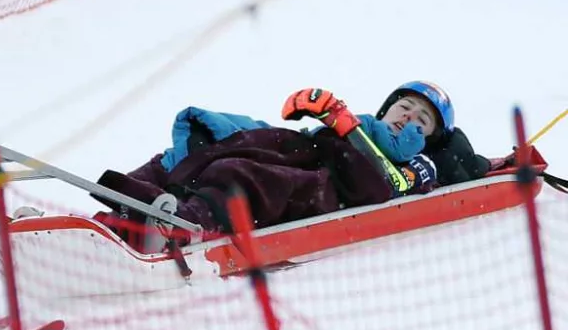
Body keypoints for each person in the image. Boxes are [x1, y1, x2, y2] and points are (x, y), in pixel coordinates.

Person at [87, 81, 497, 252]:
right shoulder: (364, 128)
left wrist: (341, 123)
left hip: (326, 182)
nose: (408, 118)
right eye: (405, 107)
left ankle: (184, 224)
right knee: (210, 142)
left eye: (421, 120)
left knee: (243, 175)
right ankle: (115, 214)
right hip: (307, 149)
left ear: (430, 137)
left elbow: (386, 186)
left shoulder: (420, 162)